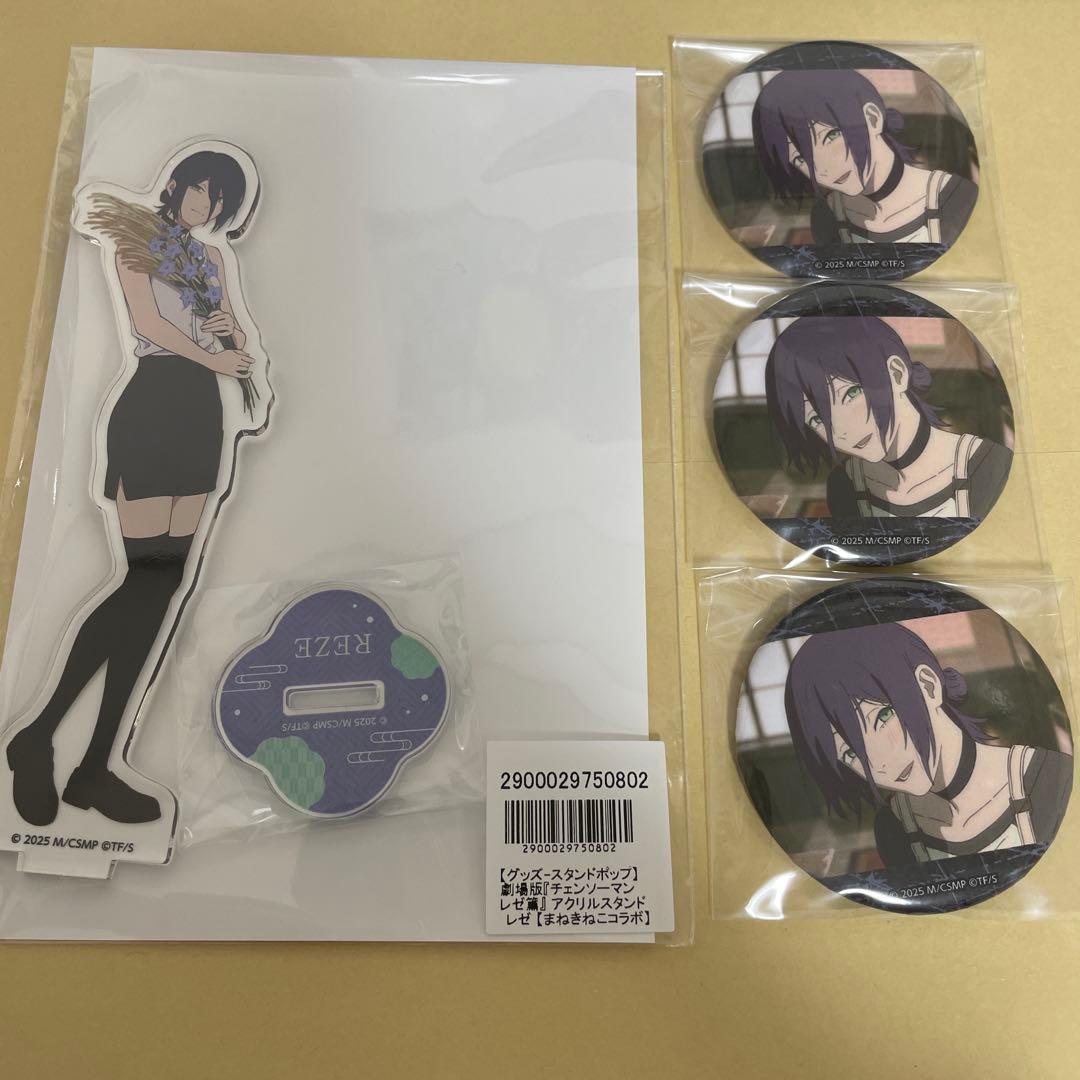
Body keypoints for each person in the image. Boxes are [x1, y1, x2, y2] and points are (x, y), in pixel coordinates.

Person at [5, 149, 259, 826]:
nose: (206, 208)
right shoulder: (136, 243)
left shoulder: (211, 260)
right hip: (150, 406)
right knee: (140, 579)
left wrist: (230, 336)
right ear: (175, 186)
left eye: (218, 201)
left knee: (165, 584)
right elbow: (149, 324)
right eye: (201, 192)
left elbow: (229, 325)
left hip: (200, 415)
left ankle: (94, 767)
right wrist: (215, 357)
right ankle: (39, 736)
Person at [784, 622, 1072, 865]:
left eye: (883, 717)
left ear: (928, 686)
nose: (879, 761)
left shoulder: (1048, 777)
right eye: (849, 752)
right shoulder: (894, 826)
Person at [764, 315, 1011, 519]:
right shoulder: (844, 485)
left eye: (851, 393)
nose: (841, 430)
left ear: (897, 373)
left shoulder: (987, 464)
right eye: (816, 419)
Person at [752, 69, 977, 246]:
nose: (823, 168)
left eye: (831, 136)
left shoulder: (955, 197)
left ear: (872, 118)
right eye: (801, 159)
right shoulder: (827, 215)